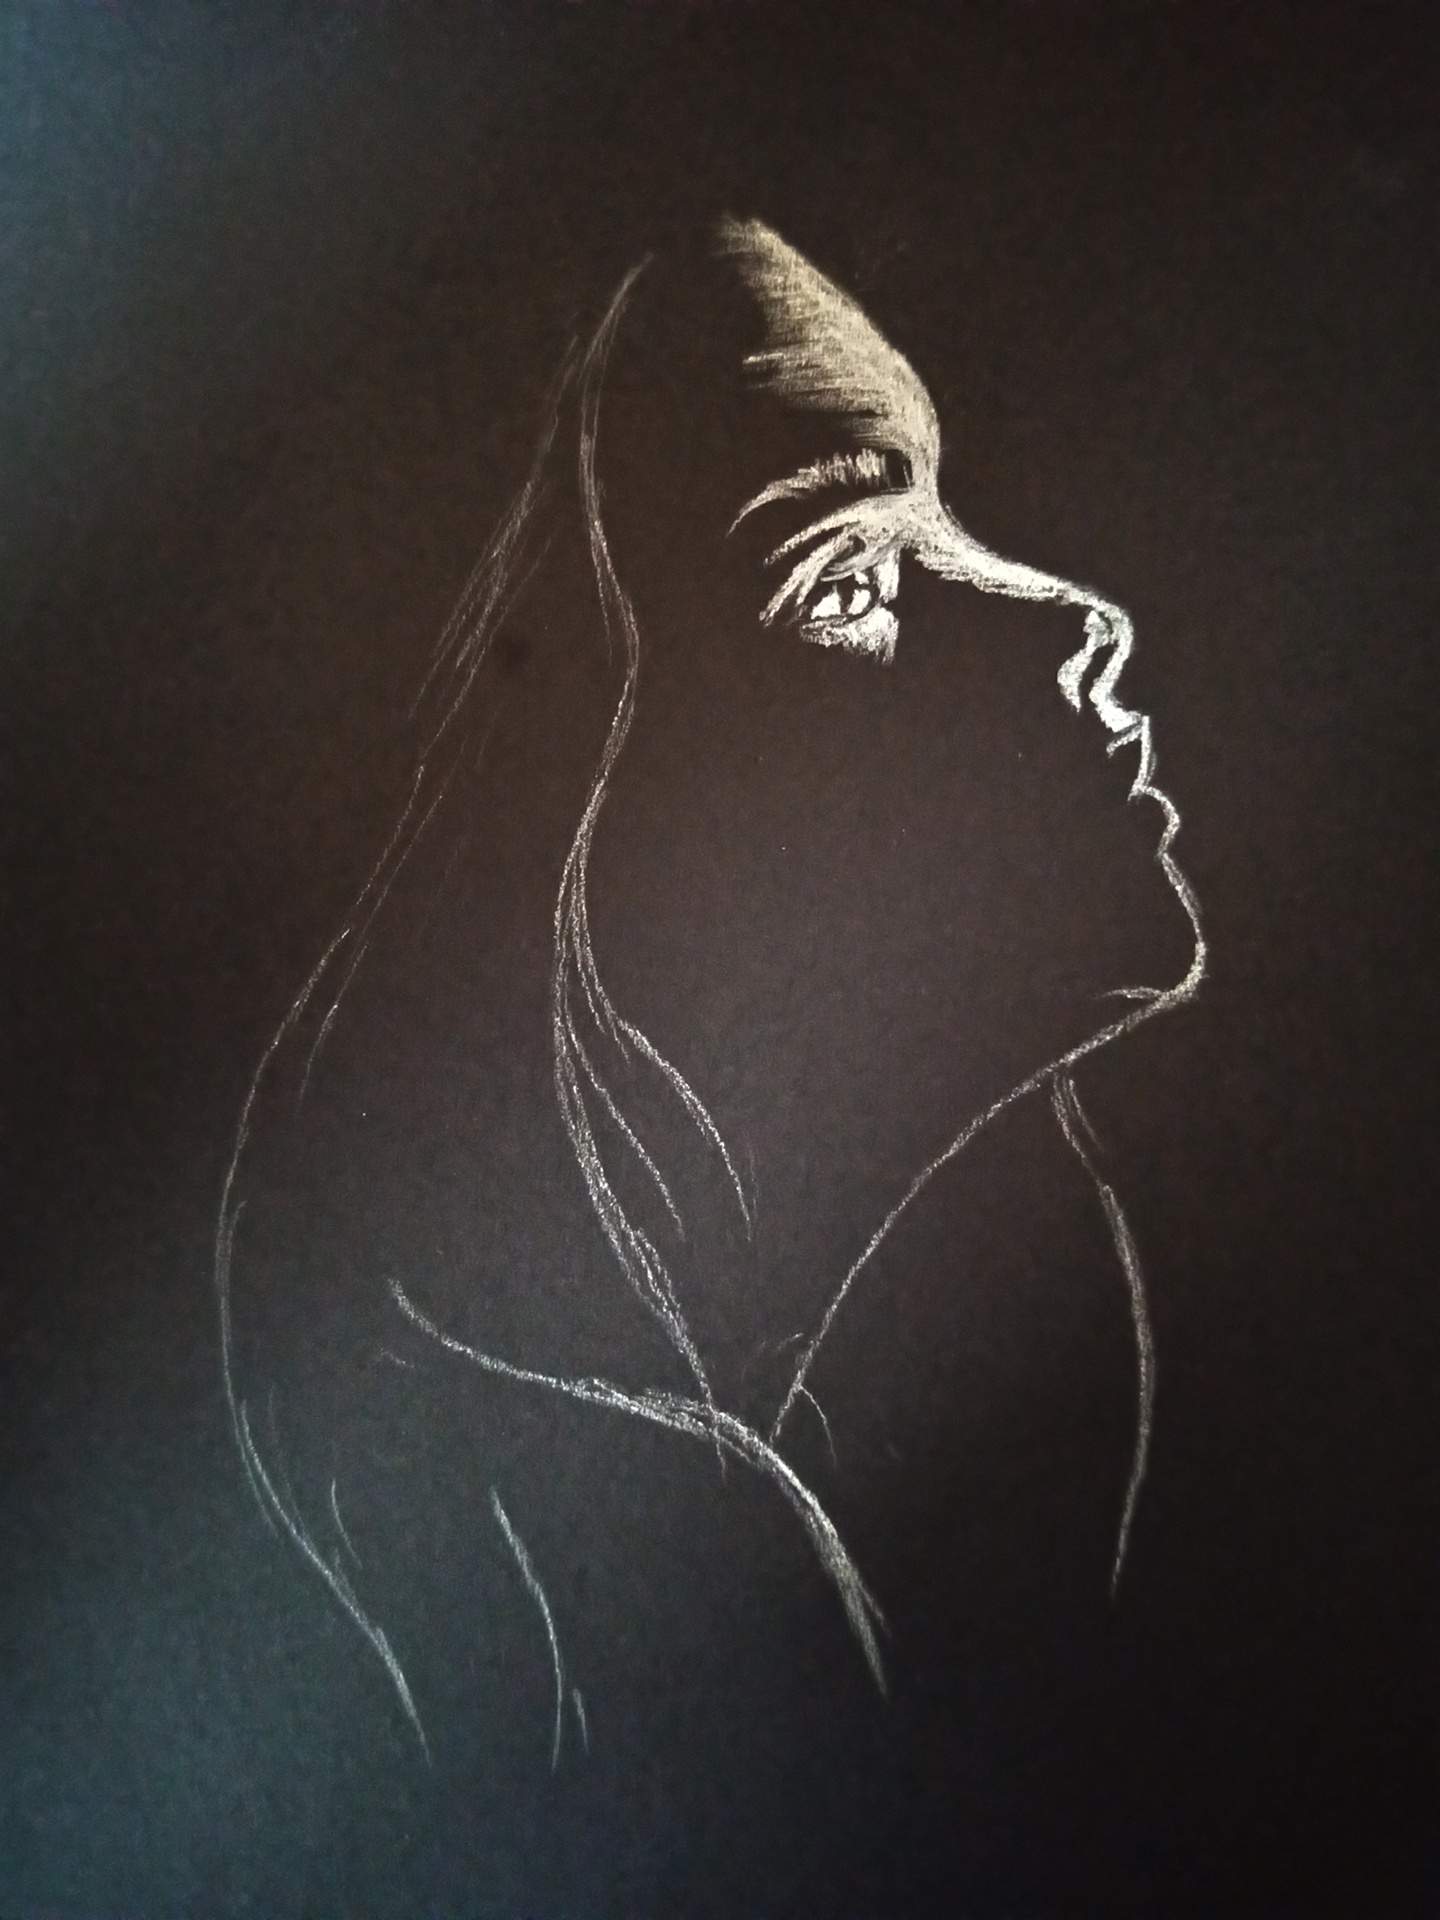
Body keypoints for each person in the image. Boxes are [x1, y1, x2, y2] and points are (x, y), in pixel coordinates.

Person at [215, 217, 1205, 1898]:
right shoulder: (508, 1574)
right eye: (850, 578)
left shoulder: (1030, 1332)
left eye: (941, 526)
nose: (1080, 624)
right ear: (566, 802)